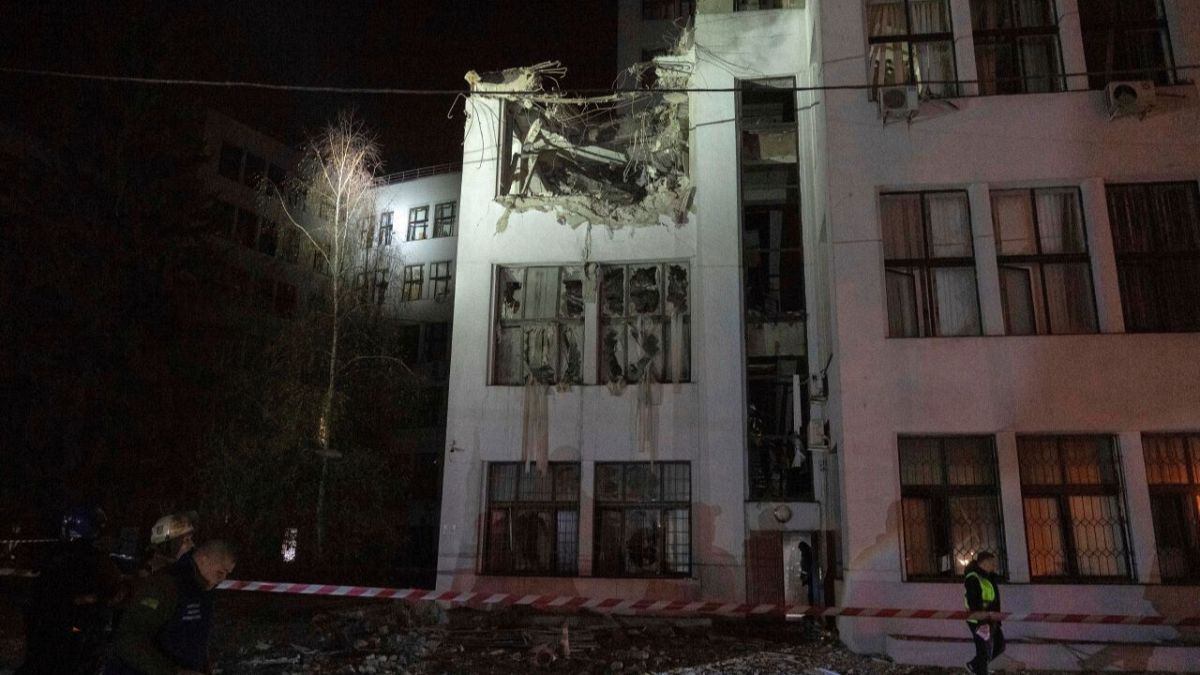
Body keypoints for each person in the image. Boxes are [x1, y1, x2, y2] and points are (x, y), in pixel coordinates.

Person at [104, 540, 236, 675]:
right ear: (204, 560)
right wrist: (172, 671)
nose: (223, 579)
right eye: (220, 572)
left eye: (227, 574)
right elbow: (129, 638)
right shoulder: (167, 585)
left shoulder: (203, 592)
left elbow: (196, 639)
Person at [17, 506, 123, 675]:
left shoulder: (56, 554)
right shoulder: (96, 559)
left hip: (51, 623)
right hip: (75, 627)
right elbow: (112, 591)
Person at [964, 551, 1004, 675]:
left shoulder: (988, 577)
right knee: (983, 649)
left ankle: (975, 666)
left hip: (990, 618)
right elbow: (973, 602)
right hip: (978, 619)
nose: (994, 566)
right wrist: (982, 622)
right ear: (984, 563)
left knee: (998, 645)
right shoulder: (973, 578)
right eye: (992, 563)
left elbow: (994, 599)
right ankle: (980, 670)